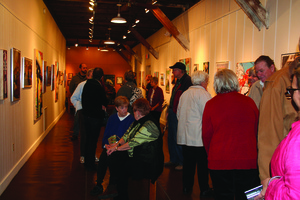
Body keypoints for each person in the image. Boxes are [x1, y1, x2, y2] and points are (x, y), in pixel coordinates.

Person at [202, 69, 260, 200]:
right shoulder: (249, 102)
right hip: (247, 160)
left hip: (219, 160)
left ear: (216, 84)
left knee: (222, 195)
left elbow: (206, 135)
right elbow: (256, 131)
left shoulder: (211, 105)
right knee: (246, 196)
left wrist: (210, 154)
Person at [98, 98, 164, 200]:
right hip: (138, 155)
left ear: (137, 112)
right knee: (112, 156)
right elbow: (126, 136)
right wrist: (115, 146)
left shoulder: (150, 124)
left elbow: (133, 142)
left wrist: (116, 149)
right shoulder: (138, 121)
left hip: (149, 162)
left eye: (133, 110)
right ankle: (116, 189)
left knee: (120, 164)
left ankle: (118, 192)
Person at [256, 55, 300, 198]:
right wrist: (267, 179)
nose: (258, 75)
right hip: (285, 176)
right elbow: (268, 134)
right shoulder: (278, 83)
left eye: (262, 70)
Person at [176, 71, 213, 196]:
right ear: (203, 82)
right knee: (202, 165)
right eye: (207, 81)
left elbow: (178, 114)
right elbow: (208, 116)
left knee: (188, 164)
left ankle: (187, 187)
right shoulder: (204, 95)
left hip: (185, 137)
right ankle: (204, 189)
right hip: (199, 137)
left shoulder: (185, 94)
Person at [90, 96, 135, 196]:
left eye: (126, 107)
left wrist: (116, 146)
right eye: (122, 108)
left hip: (122, 148)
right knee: (103, 158)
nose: (125, 110)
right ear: (117, 108)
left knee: (113, 158)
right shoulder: (112, 118)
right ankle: (99, 183)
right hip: (111, 146)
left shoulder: (131, 119)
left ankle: (113, 185)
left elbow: (129, 138)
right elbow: (106, 135)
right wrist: (106, 145)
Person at [165, 62, 192, 170]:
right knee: (171, 136)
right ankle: (173, 159)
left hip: (179, 113)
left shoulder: (187, 81)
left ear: (180, 71)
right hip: (173, 111)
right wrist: (169, 109)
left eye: (174, 70)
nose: (173, 72)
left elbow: (185, 99)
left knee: (178, 137)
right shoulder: (178, 81)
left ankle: (181, 161)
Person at [82, 67, 108, 171]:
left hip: (86, 116)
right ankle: (91, 164)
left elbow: (83, 99)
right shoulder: (99, 86)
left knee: (88, 139)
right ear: (102, 77)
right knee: (93, 140)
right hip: (96, 117)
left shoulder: (87, 84)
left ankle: (87, 162)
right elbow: (104, 101)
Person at [70, 68, 93, 163]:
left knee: (92, 135)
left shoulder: (97, 85)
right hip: (83, 112)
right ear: (87, 76)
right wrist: (79, 107)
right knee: (84, 135)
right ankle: (83, 155)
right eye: (91, 76)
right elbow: (73, 98)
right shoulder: (81, 85)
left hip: (93, 113)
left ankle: (91, 155)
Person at [69, 63, 88, 140]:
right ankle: (75, 133)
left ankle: (85, 134)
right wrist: (76, 101)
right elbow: (71, 89)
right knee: (77, 119)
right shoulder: (75, 78)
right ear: (80, 68)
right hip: (79, 102)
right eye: (84, 68)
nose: (85, 69)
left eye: (86, 68)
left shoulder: (87, 79)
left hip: (87, 102)